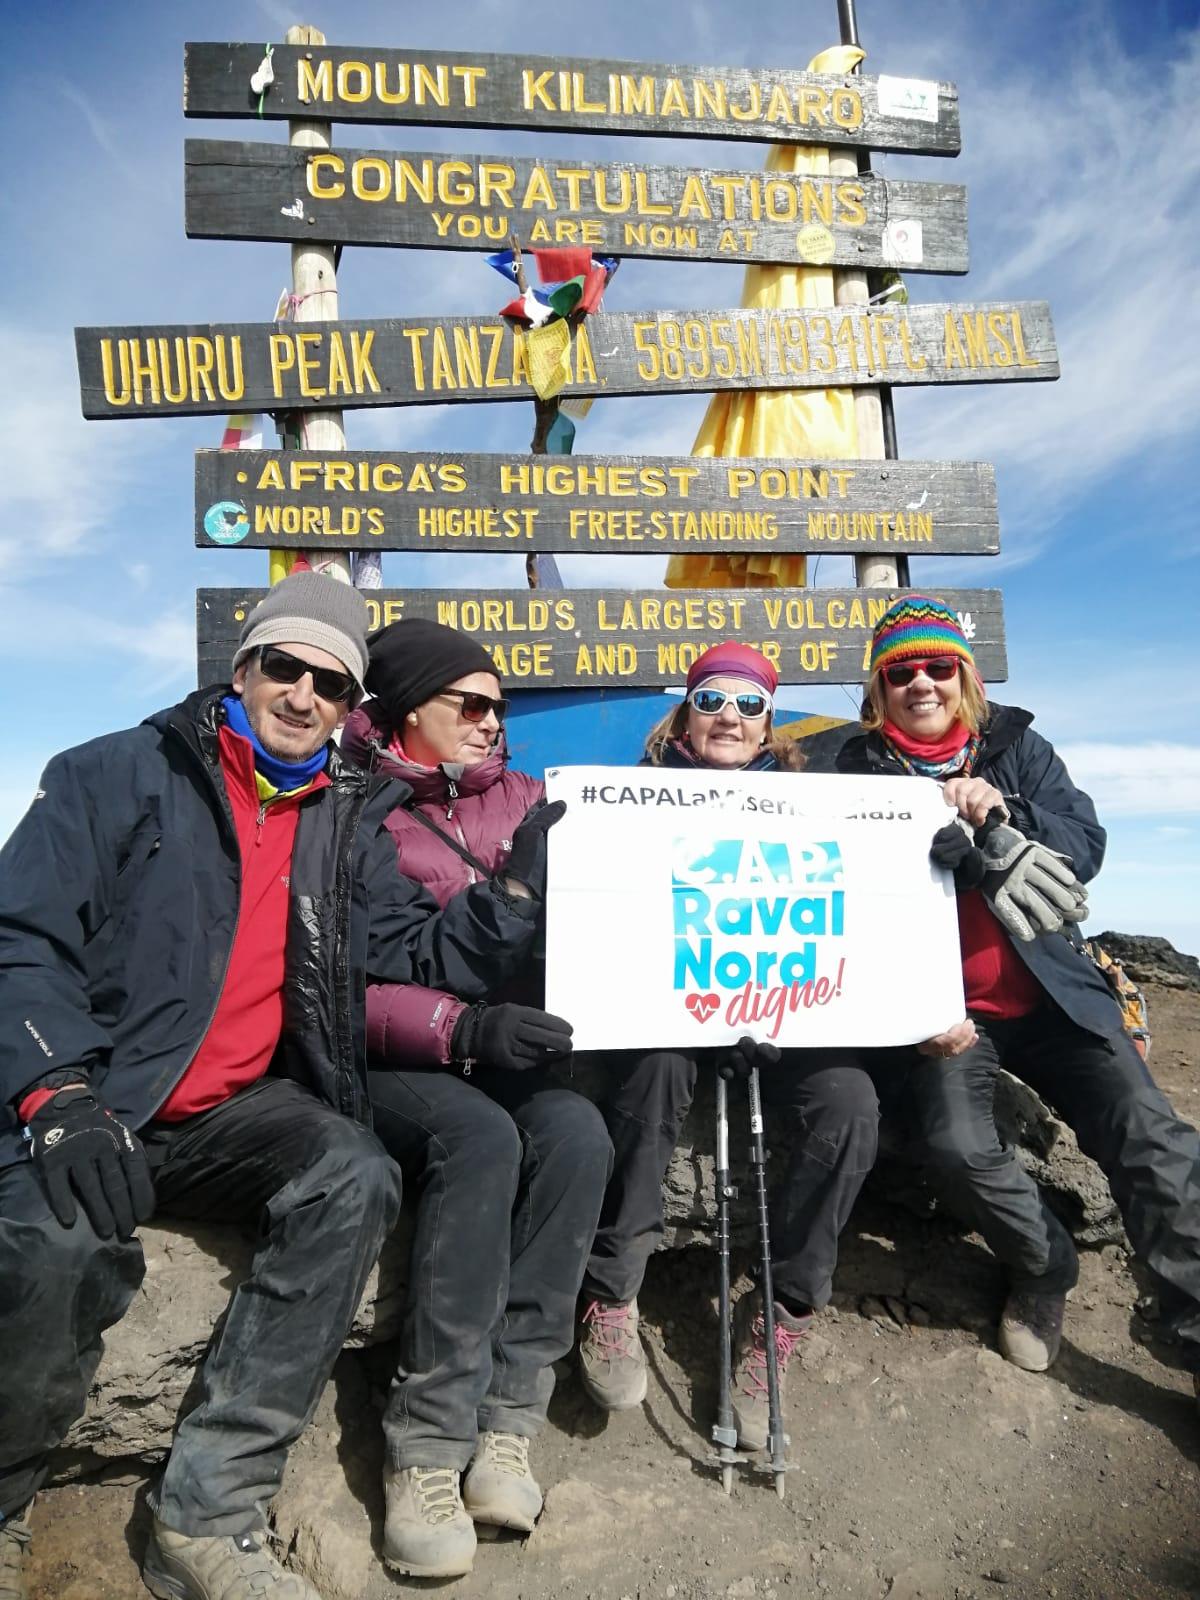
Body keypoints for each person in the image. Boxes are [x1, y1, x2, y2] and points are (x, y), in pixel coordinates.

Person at [0, 575, 549, 1600]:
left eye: (330, 683)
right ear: (243, 667)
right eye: (284, 667)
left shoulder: (344, 818)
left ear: (350, 707)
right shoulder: (113, 773)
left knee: (354, 1171)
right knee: (44, 1248)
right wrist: (56, 1093)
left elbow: (414, 947)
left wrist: (515, 892)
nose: (302, 695)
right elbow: (22, 938)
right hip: (101, 1097)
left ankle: (205, 1515)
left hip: (231, 1110)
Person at [837, 593, 1200, 1391]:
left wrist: (1007, 812)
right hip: (943, 1015)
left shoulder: (1020, 749)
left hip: (1057, 998)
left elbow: (1086, 844)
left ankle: (1194, 1328)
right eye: (902, 671)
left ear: (964, 679)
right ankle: (1045, 1267)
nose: (922, 684)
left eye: (940, 667)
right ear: (878, 689)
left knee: (1152, 1140)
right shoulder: (850, 768)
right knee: (960, 1150)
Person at [339, 619, 612, 1579]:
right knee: (480, 1142)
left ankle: (510, 1419)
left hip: (502, 1047)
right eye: (475, 703)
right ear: (408, 707)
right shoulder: (354, 809)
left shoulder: (536, 800)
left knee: (576, 1133)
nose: (498, 722)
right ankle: (424, 1443)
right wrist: (462, 1028)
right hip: (395, 1059)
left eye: (501, 706)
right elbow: (354, 975)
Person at [576, 641, 881, 1450]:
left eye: (749, 705)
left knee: (849, 1102)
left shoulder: (810, 804)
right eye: (712, 700)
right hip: (668, 1016)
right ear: (686, 711)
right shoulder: (633, 799)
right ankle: (611, 1293)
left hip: (781, 1021)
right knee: (655, 1070)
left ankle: (780, 1313)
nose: (730, 718)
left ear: (768, 723)